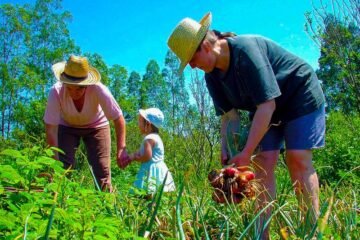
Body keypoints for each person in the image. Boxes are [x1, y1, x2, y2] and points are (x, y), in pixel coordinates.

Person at [167, 12, 326, 239]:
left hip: (299, 95)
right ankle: (262, 234)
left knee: (297, 158)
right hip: (266, 108)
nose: (192, 67)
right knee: (262, 164)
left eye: (191, 60)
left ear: (205, 46)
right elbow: (229, 117)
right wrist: (228, 149)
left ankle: (312, 231)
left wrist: (247, 152)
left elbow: (267, 105)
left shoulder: (245, 51)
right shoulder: (212, 77)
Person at [44, 55, 126, 191]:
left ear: (87, 84)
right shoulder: (56, 92)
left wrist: (121, 149)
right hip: (67, 127)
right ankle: (60, 203)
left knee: (102, 170)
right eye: (70, 88)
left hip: (97, 126)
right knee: (62, 168)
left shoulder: (99, 89)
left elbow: (118, 118)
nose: (74, 93)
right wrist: (54, 160)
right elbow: (51, 128)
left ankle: (107, 205)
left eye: (79, 88)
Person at [117, 108, 176, 196]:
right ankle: (154, 207)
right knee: (157, 192)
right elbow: (143, 151)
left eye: (140, 122)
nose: (138, 124)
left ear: (148, 124)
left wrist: (138, 158)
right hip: (159, 168)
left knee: (148, 191)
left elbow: (147, 156)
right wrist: (132, 156)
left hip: (150, 169)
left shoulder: (149, 139)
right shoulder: (156, 137)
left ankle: (149, 207)